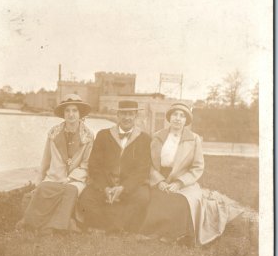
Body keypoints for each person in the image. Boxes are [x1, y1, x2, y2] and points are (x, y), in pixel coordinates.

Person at [138, 102, 243, 245]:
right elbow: (149, 163)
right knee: (155, 196)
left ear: (186, 120)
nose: (178, 118)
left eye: (182, 116)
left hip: (184, 180)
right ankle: (153, 231)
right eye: (175, 114)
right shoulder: (158, 136)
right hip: (159, 177)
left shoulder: (194, 139)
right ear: (169, 117)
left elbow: (197, 167)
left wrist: (179, 183)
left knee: (182, 200)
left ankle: (173, 234)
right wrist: (159, 181)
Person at [17, 94, 94, 236]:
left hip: (76, 179)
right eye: (67, 111)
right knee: (45, 187)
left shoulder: (88, 136)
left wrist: (70, 178)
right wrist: (39, 181)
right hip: (55, 175)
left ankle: (54, 227)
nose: (71, 114)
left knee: (71, 190)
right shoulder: (53, 133)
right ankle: (32, 223)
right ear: (63, 114)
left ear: (80, 113)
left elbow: (86, 164)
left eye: (74, 110)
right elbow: (46, 160)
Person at [79, 100, 151, 233]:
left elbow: (142, 170)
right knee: (86, 198)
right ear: (117, 115)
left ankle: (107, 228)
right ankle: (117, 227)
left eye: (130, 114)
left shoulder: (145, 139)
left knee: (142, 198)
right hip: (105, 184)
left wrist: (124, 188)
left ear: (136, 115)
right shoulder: (103, 135)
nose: (127, 117)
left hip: (129, 187)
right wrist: (105, 187)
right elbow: (94, 166)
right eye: (123, 113)